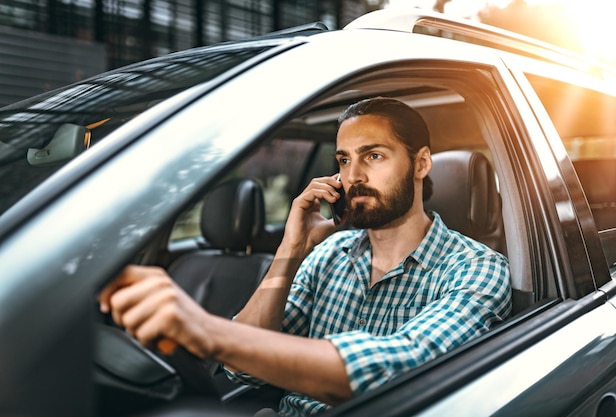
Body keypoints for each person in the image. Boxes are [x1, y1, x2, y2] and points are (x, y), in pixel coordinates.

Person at [99, 97, 512, 417]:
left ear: (421, 163)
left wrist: (202, 328)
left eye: (374, 156)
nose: (353, 177)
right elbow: (245, 368)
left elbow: (396, 370)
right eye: (344, 160)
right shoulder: (329, 252)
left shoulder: (476, 268)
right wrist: (291, 249)